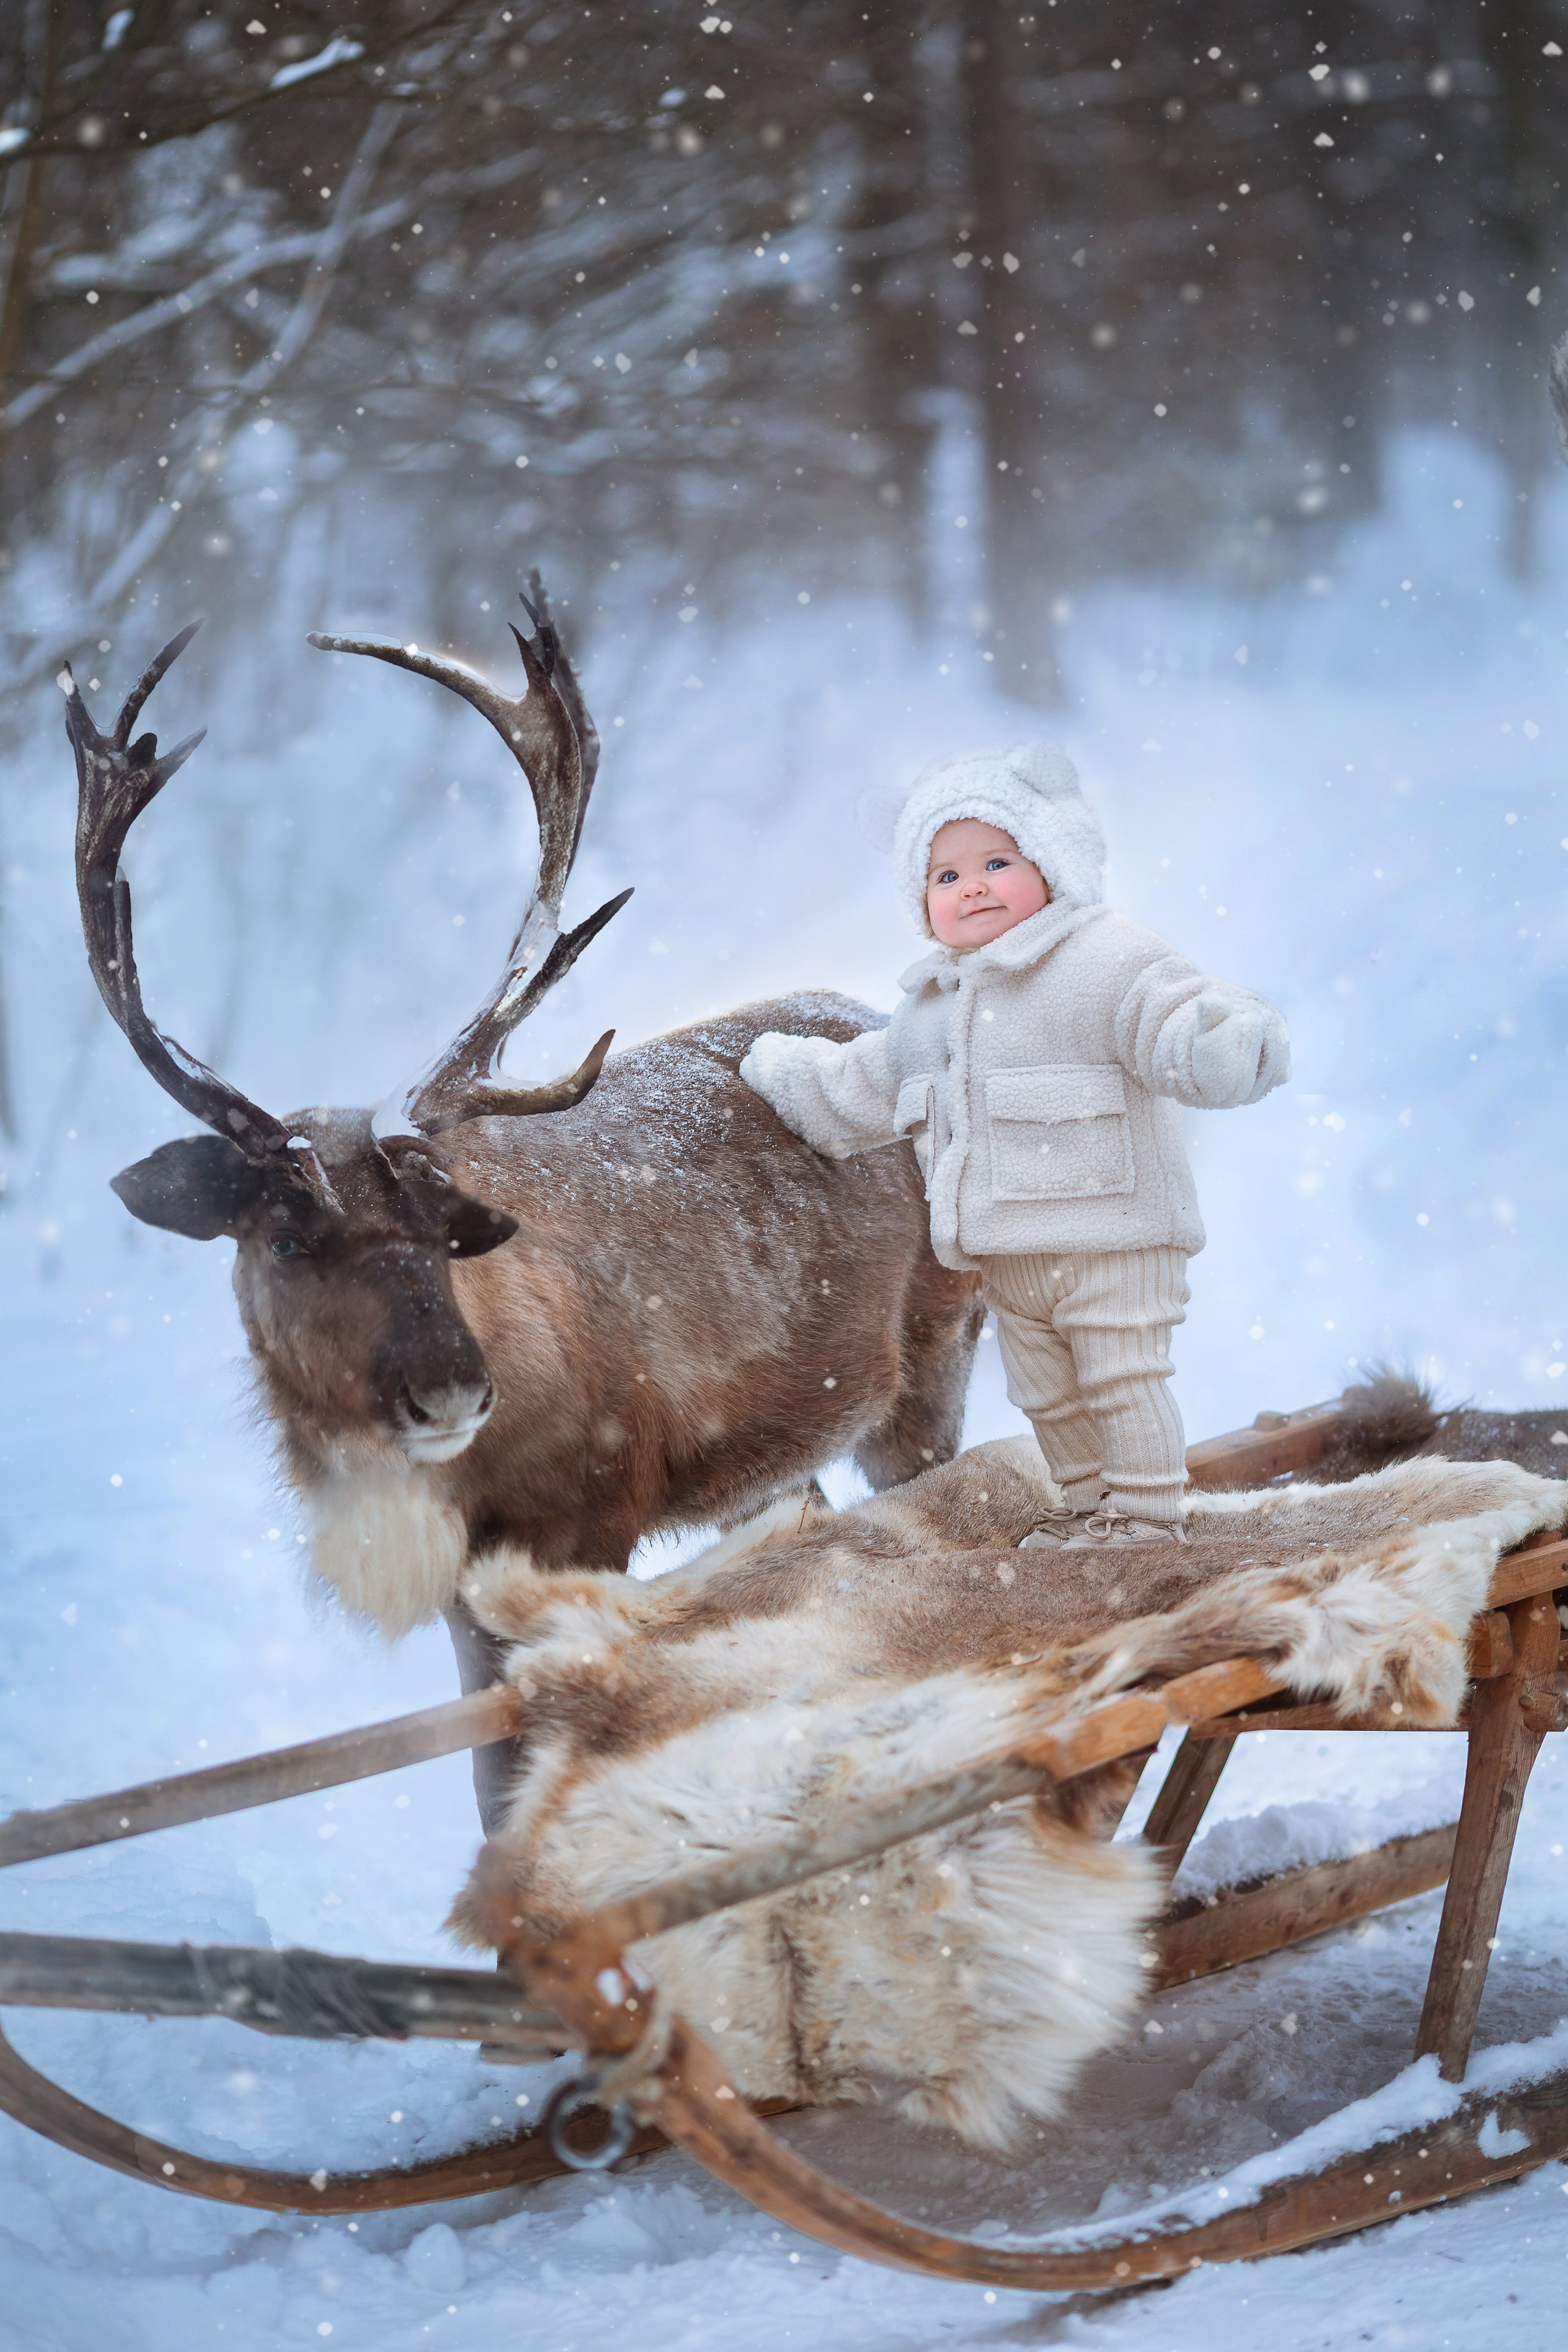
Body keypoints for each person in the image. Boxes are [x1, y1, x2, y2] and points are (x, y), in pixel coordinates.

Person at [739, 742, 1289, 1548]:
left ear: (1054, 864)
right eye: (946, 876)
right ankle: (1088, 1508)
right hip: (1009, 1259)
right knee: (1048, 1393)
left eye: (997, 862)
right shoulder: (933, 1010)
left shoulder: (1105, 959)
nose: (973, 886)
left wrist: (1217, 1043)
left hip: (1114, 1235)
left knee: (1121, 1378)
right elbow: (866, 1082)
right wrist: (788, 1078)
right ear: (922, 903)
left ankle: (1145, 1514)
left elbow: (1171, 1015)